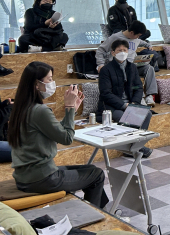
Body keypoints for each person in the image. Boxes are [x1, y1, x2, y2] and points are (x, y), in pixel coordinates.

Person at [8, 61, 109, 209]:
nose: (52, 83)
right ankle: (93, 213)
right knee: (97, 175)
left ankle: (101, 209)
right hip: (41, 179)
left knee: (89, 169)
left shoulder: (21, 107)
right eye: (49, 79)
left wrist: (72, 110)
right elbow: (66, 138)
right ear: (37, 84)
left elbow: (55, 133)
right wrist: (69, 107)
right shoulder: (40, 110)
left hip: (25, 176)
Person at [96, 39, 153, 158]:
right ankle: (131, 148)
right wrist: (124, 105)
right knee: (125, 117)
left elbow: (138, 87)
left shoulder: (132, 67)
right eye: (119, 50)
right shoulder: (106, 70)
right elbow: (106, 93)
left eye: (124, 50)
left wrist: (134, 103)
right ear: (113, 53)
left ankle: (136, 146)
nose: (122, 52)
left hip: (131, 103)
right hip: (111, 106)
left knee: (147, 114)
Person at [96, 21, 158, 107]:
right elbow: (100, 50)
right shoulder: (115, 37)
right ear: (132, 32)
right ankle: (140, 98)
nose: (138, 37)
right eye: (138, 35)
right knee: (132, 80)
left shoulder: (136, 39)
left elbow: (142, 42)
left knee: (149, 68)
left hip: (134, 66)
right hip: (120, 67)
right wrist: (100, 64)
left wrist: (148, 45)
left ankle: (150, 96)